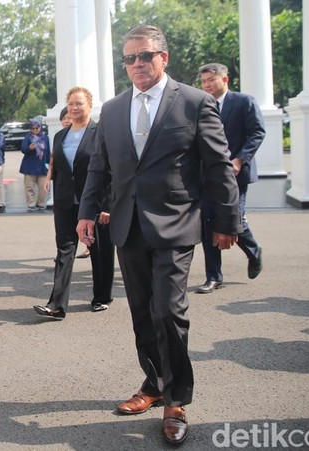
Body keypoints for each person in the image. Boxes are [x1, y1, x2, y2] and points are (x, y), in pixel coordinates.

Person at [75, 25, 242, 445]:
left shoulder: (195, 102)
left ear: (163, 58)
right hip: (127, 226)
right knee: (141, 313)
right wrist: (86, 213)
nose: (136, 65)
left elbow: (219, 167)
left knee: (168, 311)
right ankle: (153, 383)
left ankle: (176, 400)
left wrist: (227, 222)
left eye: (144, 56)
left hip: (175, 224)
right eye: (129, 58)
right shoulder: (112, 110)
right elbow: (99, 166)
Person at [34, 86, 115, 320]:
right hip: (65, 203)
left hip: (95, 203)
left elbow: (110, 172)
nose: (74, 108)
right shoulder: (60, 136)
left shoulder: (101, 132)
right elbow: (59, 168)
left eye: (79, 103)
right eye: (71, 104)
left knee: (100, 250)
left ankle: (102, 297)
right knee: (64, 251)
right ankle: (57, 305)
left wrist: (107, 205)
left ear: (89, 105)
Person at [196, 62, 265, 294]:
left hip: (236, 174)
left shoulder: (244, 102)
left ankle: (254, 252)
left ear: (224, 80)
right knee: (207, 223)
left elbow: (257, 133)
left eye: (210, 81)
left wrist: (239, 159)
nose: (206, 85)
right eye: (203, 82)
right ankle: (214, 277)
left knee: (236, 220)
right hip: (206, 175)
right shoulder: (200, 105)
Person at [51, 108, 89, 259]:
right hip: (65, 193)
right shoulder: (59, 137)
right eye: (63, 118)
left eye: (68, 117)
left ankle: (89, 247)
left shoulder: (91, 134)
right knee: (65, 233)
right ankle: (65, 255)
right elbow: (54, 162)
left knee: (86, 221)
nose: (66, 120)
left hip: (85, 190)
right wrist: (49, 178)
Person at [19, 119, 51, 212]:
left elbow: (47, 151)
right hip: (30, 166)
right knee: (29, 187)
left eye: (37, 128)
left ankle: (40, 203)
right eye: (33, 128)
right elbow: (23, 149)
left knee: (43, 187)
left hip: (42, 166)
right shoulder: (28, 138)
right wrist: (29, 148)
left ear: (40, 128)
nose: (35, 130)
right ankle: (31, 204)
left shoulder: (45, 137)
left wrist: (49, 163)